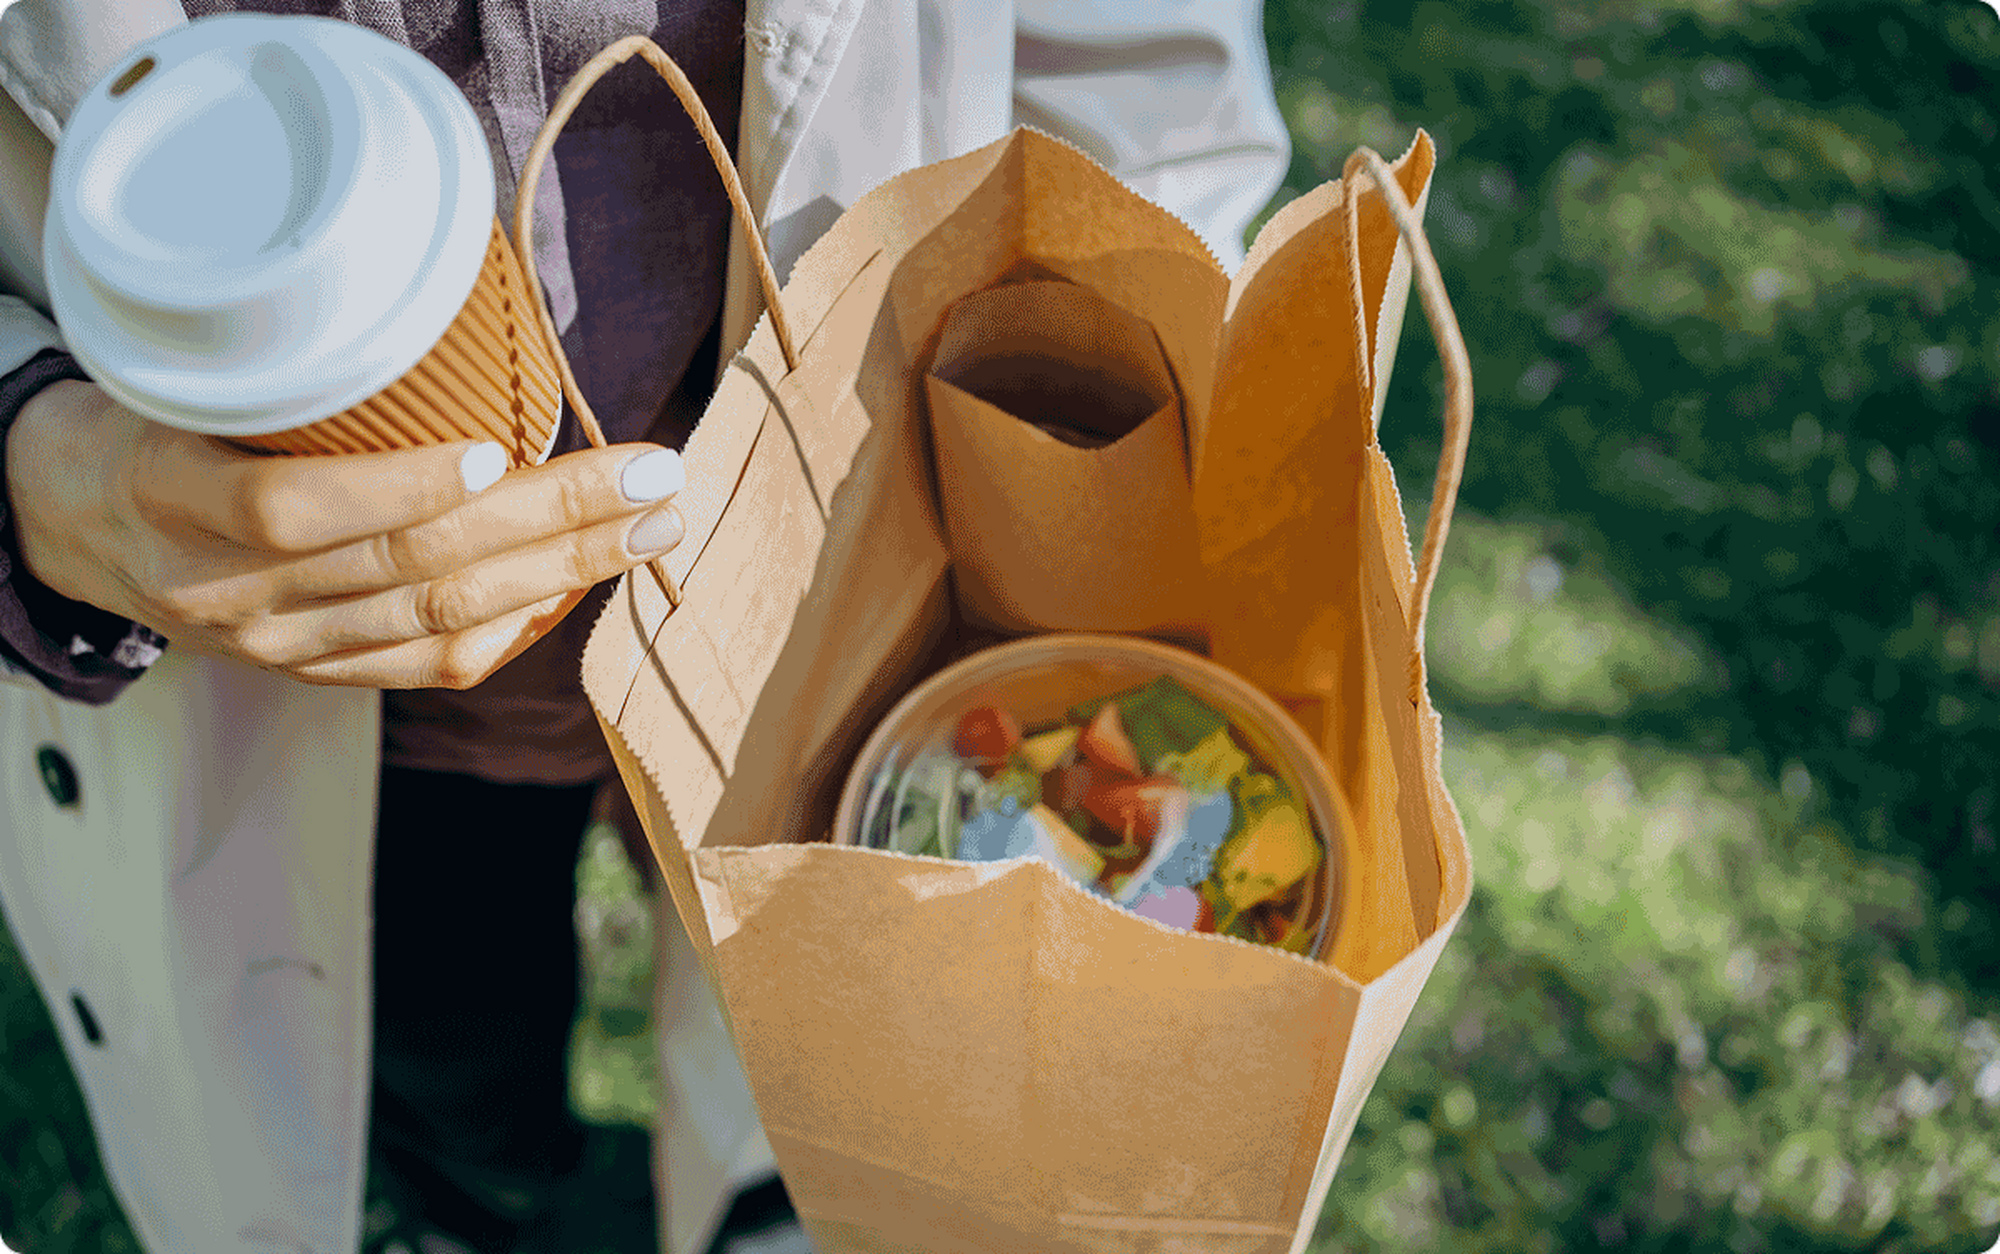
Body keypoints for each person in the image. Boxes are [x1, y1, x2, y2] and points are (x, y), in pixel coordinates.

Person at [0, 2, 1291, 1252]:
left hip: (861, 584)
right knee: (440, 1016)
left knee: (839, 1033)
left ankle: (777, 1204)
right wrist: (30, 458)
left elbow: (1138, 71)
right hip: (346, 693)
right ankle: (478, 1200)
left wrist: (1098, 411)